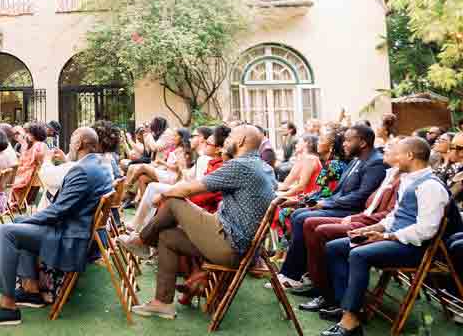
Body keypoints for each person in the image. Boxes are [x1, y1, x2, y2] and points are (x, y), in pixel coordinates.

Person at [122, 125, 276, 320]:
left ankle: (141, 241)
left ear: (241, 141)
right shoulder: (264, 167)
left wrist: (162, 195)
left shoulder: (242, 166)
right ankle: (163, 303)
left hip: (230, 245)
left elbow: (189, 189)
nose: (225, 141)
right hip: (242, 247)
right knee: (167, 237)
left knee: (173, 202)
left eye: (231, 137)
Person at [0, 127, 114, 326]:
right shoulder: (99, 164)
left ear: (79, 144)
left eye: (72, 139)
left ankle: (7, 307)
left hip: (69, 239)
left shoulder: (81, 170)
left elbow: (57, 212)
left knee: (7, 230)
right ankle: (31, 290)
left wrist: (32, 220)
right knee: (18, 221)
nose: (69, 144)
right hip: (78, 232)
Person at [320, 137, 456, 336]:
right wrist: (371, 229)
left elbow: (426, 230)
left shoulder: (431, 186)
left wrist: (386, 236)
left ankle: (351, 321)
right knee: (334, 248)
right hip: (395, 240)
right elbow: (395, 216)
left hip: (413, 249)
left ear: (410, 156)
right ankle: (346, 306)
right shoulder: (409, 179)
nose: (395, 157)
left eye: (399, 153)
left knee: (358, 254)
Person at [275, 123, 386, 291]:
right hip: (340, 205)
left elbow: (361, 196)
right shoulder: (357, 160)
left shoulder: (375, 163)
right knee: (299, 214)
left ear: (362, 143)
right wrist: (320, 202)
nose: (344, 144)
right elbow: (339, 191)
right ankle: (296, 273)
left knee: (304, 218)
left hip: (353, 211)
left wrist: (326, 203)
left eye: (349, 140)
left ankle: (301, 275)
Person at [294, 144, 402, 314]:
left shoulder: (398, 177)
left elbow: (388, 214)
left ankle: (329, 293)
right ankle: (321, 287)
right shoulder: (390, 173)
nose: (384, 150)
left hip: (374, 224)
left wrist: (355, 219)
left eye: (391, 148)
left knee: (320, 229)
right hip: (368, 218)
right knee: (308, 221)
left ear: (406, 155)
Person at [272, 131, 346, 251]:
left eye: (321, 140)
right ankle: (289, 251)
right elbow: (320, 192)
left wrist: (297, 201)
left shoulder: (333, 165)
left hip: (326, 205)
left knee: (285, 212)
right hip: (319, 201)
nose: (318, 142)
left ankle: (293, 251)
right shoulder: (329, 163)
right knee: (284, 208)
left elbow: (326, 194)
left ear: (331, 147)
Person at [11, 122, 48, 198]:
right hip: (26, 175)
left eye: (29, 133)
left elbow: (38, 158)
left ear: (35, 134)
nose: (28, 135)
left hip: (27, 177)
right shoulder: (34, 145)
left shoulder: (38, 145)